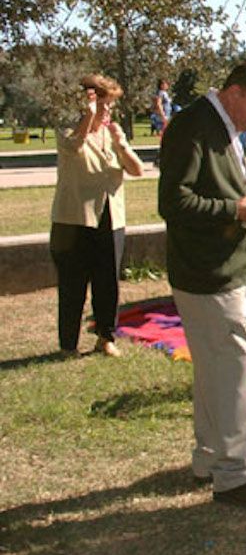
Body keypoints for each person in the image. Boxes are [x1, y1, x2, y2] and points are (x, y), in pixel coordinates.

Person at [158, 60, 246, 507]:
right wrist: (239, 209)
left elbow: (221, 188)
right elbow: (175, 202)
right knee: (233, 370)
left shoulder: (222, 126)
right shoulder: (193, 126)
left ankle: (208, 458)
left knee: (215, 371)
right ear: (233, 92)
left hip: (221, 271)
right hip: (207, 273)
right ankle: (234, 474)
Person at [52, 73, 145, 357]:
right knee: (72, 285)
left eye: (111, 106)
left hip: (110, 219)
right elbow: (72, 148)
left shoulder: (113, 133)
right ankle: (68, 344)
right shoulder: (68, 130)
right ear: (88, 104)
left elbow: (136, 169)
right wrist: (87, 120)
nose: (109, 112)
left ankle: (106, 337)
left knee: (107, 283)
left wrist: (121, 143)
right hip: (73, 220)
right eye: (104, 105)